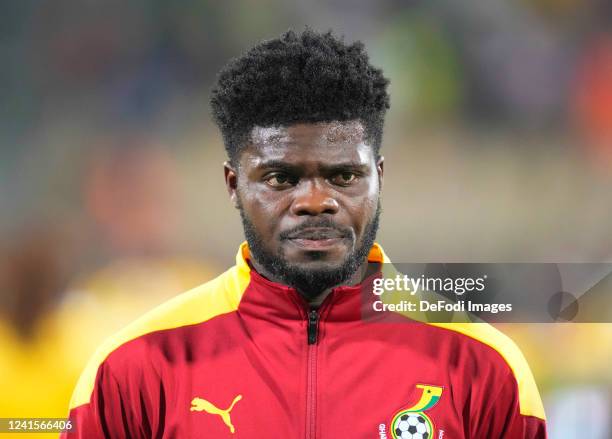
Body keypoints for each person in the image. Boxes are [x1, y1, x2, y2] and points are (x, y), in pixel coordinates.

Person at [62, 29, 547, 438]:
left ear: (379, 177)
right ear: (234, 185)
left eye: (343, 177)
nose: (315, 201)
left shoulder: (484, 366)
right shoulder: (133, 369)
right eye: (281, 178)